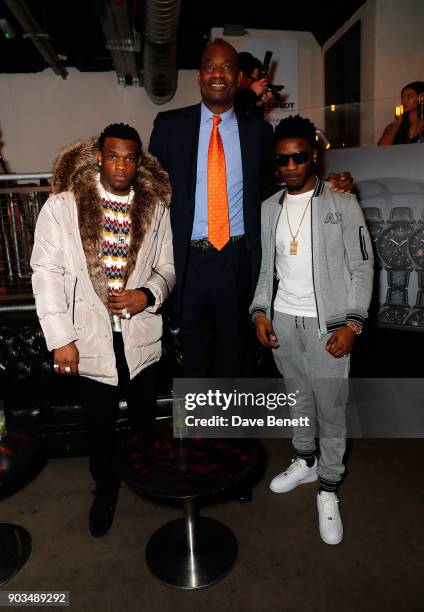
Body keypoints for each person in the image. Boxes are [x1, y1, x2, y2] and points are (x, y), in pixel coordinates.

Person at [31, 123, 174, 537]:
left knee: (144, 419)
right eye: (113, 156)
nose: (121, 166)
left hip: (139, 336)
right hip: (89, 339)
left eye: (130, 158)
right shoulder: (64, 206)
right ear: (99, 155)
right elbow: (46, 272)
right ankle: (105, 488)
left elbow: (168, 268)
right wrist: (61, 340)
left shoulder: (156, 207)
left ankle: (146, 479)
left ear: (139, 160)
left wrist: (148, 294)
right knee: (98, 426)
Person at [250, 115, 374, 545]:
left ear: (313, 156)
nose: (290, 166)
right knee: (298, 396)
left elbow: (362, 265)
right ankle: (305, 461)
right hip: (284, 319)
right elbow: (267, 269)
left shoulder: (341, 201)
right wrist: (260, 312)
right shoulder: (269, 208)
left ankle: (329, 487)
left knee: (331, 408)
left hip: (329, 327)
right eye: (282, 160)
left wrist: (354, 323)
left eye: (298, 157)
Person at [378, 81, 424, 145]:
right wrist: (397, 123)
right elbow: (381, 148)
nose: (404, 101)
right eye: (402, 97)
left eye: (409, 97)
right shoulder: (393, 126)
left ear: (421, 99)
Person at [234, 51, 274, 118]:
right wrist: (252, 92)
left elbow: (252, 124)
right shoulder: (226, 93)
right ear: (240, 75)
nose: (254, 83)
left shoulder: (248, 98)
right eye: (252, 79)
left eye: (256, 80)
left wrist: (258, 105)